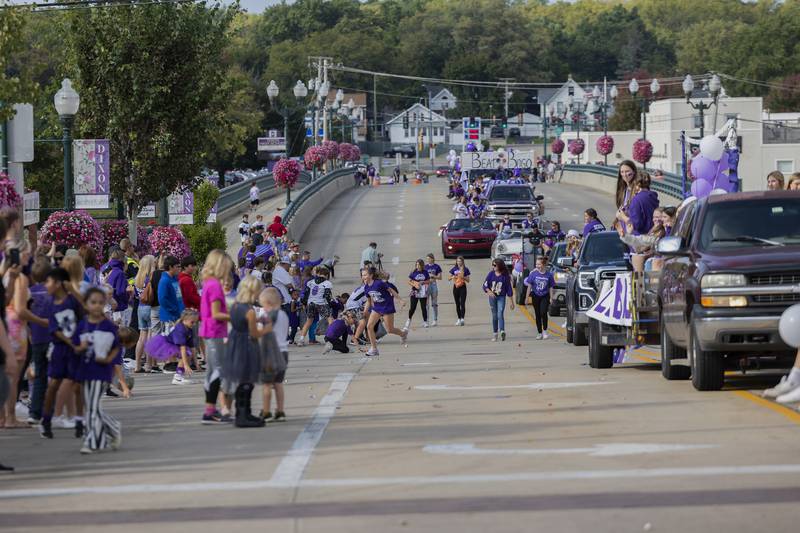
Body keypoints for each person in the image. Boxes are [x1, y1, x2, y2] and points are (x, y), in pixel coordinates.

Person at [72, 287, 124, 454]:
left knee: (93, 407)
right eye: (93, 302)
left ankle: (91, 441)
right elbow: (75, 346)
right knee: (91, 406)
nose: (96, 306)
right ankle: (112, 428)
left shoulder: (108, 326)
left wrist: (108, 360)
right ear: (86, 304)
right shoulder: (82, 325)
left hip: (100, 372)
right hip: (84, 370)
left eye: (100, 303)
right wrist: (80, 347)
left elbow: (117, 347)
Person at [39, 268, 84, 440]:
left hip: (76, 349)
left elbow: (83, 314)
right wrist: (71, 342)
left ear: (58, 283)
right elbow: (55, 329)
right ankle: (47, 420)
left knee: (77, 385)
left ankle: (79, 420)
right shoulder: (50, 304)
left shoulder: (72, 300)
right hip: (61, 349)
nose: (46, 285)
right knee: (54, 384)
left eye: (49, 282)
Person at [224, 276, 268, 428]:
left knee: (242, 379)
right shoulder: (250, 311)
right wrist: (266, 329)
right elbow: (254, 333)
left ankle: (243, 413)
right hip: (247, 345)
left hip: (235, 342)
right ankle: (243, 415)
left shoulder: (236, 306)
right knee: (247, 380)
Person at [199, 249, 233, 424]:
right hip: (215, 331)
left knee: (212, 370)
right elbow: (216, 313)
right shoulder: (215, 286)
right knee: (217, 371)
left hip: (209, 331)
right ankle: (210, 410)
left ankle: (210, 409)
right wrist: (235, 315)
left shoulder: (208, 283)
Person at [26, 258, 53, 425]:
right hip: (52, 338)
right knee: (54, 376)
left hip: (35, 338)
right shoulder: (51, 293)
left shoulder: (29, 293)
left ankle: (35, 412)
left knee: (39, 377)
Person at [259, 287, 290, 422]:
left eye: (263, 305)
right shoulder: (283, 315)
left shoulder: (270, 315)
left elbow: (264, 330)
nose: (263, 308)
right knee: (278, 383)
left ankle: (266, 411)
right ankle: (280, 410)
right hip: (283, 352)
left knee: (267, 384)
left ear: (269, 303)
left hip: (271, 353)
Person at [363, 266, 407, 357]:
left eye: (365, 275)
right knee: (369, 326)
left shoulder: (379, 283)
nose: (363, 277)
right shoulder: (366, 287)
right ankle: (374, 349)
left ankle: (403, 333)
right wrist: (365, 311)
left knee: (390, 330)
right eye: (362, 275)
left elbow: (391, 290)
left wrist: (400, 300)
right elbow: (369, 301)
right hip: (377, 308)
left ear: (371, 275)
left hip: (387, 307)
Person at [146, 308, 198, 385]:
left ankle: (179, 376)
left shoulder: (189, 329)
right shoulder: (180, 329)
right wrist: (186, 364)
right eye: (192, 322)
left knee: (188, 353)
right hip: (167, 344)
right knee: (186, 353)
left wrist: (196, 362)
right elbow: (183, 348)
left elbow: (192, 346)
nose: (194, 324)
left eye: (195, 322)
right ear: (185, 319)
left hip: (174, 344)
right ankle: (177, 377)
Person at [295, 266, 334, 347]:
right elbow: (327, 295)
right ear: (326, 275)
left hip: (311, 303)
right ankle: (330, 338)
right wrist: (329, 304)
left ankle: (301, 340)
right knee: (330, 320)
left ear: (319, 274)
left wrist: (304, 303)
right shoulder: (327, 283)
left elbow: (306, 294)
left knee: (308, 321)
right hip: (321, 303)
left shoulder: (311, 282)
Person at [132, 255, 156, 373]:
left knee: (142, 337)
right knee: (150, 336)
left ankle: (137, 364)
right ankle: (148, 364)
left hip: (140, 308)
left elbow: (136, 295)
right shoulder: (150, 278)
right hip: (150, 308)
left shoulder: (137, 279)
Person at [483, 258, 515, 341]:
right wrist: (489, 291)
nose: (493, 266)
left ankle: (502, 331)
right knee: (494, 315)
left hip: (501, 297)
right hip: (492, 297)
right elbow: (485, 285)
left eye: (494, 265)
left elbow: (509, 289)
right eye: (492, 265)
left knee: (500, 314)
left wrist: (511, 302)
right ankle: (495, 333)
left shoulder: (505, 276)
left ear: (499, 266)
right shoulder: (491, 274)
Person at [524, 256, 555, 339]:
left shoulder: (549, 275)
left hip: (545, 296)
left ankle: (545, 330)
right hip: (535, 295)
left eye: (539, 264)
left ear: (543, 265)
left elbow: (551, 287)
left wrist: (551, 298)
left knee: (543, 312)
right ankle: (539, 332)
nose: (537, 266)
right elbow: (529, 286)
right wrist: (527, 298)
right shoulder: (533, 274)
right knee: (537, 314)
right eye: (536, 264)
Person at [157, 255, 184, 331]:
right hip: (169, 318)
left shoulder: (175, 279)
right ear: (170, 267)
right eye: (177, 267)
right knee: (170, 341)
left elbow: (179, 297)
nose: (179, 269)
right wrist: (175, 310)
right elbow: (162, 300)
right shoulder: (164, 281)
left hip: (177, 316)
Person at [105, 248, 131, 326]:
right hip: (120, 308)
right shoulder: (120, 273)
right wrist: (128, 297)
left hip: (112, 306)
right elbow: (121, 292)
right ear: (123, 261)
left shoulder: (111, 271)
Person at [405, 259, 430, 330]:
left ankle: (425, 321)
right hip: (415, 291)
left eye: (419, 265)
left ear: (422, 265)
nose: (417, 266)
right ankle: (409, 320)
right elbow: (409, 281)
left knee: (423, 307)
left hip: (423, 291)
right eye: (416, 265)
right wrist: (415, 285)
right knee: (412, 307)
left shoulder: (425, 272)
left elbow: (428, 281)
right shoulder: (413, 272)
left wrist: (423, 282)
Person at [613, 160, 638, 230]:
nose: (624, 174)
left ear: (634, 172)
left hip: (632, 226)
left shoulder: (637, 189)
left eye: (627, 171)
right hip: (624, 226)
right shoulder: (624, 189)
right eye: (622, 172)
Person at [449, 256, 470, 326]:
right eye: (458, 261)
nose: (459, 262)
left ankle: (462, 319)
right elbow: (449, 278)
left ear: (462, 262)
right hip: (456, 287)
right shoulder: (454, 269)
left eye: (460, 261)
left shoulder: (465, 269)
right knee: (457, 303)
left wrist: (462, 277)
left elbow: (468, 280)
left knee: (462, 303)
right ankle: (458, 319)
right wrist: (453, 277)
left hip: (463, 287)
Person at [424, 253, 442, 327]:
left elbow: (440, 277)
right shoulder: (425, 267)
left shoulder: (437, 266)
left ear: (432, 259)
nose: (428, 260)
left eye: (429, 258)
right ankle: (426, 320)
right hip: (426, 285)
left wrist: (433, 276)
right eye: (427, 258)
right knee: (426, 304)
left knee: (434, 303)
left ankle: (435, 320)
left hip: (434, 285)